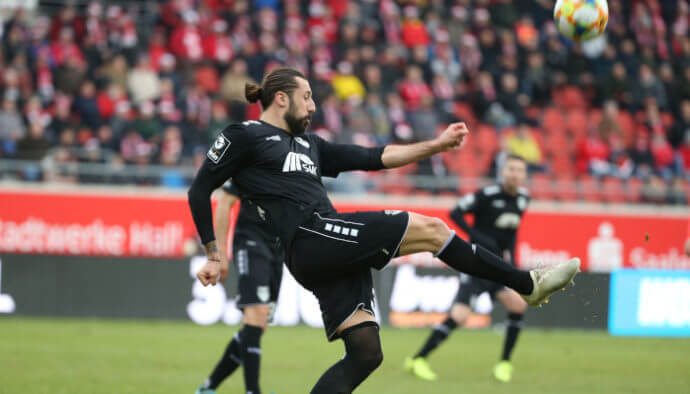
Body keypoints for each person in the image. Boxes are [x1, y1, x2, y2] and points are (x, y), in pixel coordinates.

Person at [187, 67, 580, 394]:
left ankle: (527, 285)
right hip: (309, 238)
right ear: (281, 98)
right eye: (306, 96)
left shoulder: (310, 145)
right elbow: (200, 189)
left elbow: (376, 157)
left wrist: (437, 145)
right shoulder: (244, 135)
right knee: (430, 228)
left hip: (325, 248)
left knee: (366, 354)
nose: (313, 105)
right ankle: (526, 284)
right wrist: (213, 254)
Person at [405, 155, 532, 383]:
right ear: (503, 172)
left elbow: (512, 235)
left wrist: (512, 261)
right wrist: (477, 238)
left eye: (519, 170)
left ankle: (504, 363)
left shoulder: (523, 199)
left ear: (524, 175)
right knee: (460, 316)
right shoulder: (487, 195)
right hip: (476, 265)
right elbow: (455, 212)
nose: (514, 174)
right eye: (511, 169)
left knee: (517, 304)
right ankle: (418, 359)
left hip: (498, 267)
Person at [196, 182, 283, 394]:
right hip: (251, 241)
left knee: (258, 326)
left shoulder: (298, 156)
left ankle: (208, 388)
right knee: (256, 314)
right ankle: (253, 391)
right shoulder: (254, 153)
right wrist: (220, 255)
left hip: (278, 248)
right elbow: (225, 201)